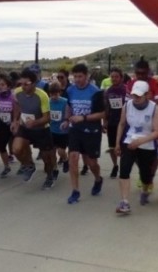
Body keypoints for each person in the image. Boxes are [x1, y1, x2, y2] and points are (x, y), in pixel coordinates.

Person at [114, 80, 158, 215]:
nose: (136, 98)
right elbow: (122, 124)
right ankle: (124, 202)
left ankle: (146, 189)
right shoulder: (127, 105)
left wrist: (141, 141)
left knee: (145, 175)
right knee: (124, 170)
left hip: (147, 144)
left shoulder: (154, 108)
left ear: (147, 95)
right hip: (129, 141)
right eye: (134, 95)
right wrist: (118, 143)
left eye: (139, 96)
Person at [63, 63, 105, 204]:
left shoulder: (95, 92)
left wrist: (84, 118)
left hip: (91, 130)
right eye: (75, 76)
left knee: (91, 162)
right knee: (73, 158)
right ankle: (75, 191)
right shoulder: (70, 90)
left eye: (80, 76)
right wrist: (66, 119)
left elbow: (103, 113)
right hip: (75, 129)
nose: (77, 79)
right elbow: (69, 106)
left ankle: (98, 179)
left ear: (86, 76)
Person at [11, 68, 57, 189]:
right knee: (16, 149)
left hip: (41, 129)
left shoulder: (42, 96)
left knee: (47, 158)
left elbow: (48, 118)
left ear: (34, 83)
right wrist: (15, 120)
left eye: (26, 84)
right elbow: (17, 106)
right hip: (25, 127)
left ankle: (50, 176)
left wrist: (35, 122)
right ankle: (29, 165)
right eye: (21, 83)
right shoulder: (17, 92)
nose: (23, 86)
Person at [103, 67, 127, 178]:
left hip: (125, 123)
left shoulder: (126, 90)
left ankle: (124, 166)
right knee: (112, 147)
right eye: (112, 77)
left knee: (123, 147)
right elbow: (106, 108)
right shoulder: (108, 91)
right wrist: (105, 121)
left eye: (116, 76)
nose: (114, 79)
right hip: (112, 122)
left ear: (121, 78)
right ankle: (115, 165)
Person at [0, 74, 15, 178]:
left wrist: (15, 121)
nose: (0, 86)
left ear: (8, 86)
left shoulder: (13, 97)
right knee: (1, 146)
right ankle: (6, 167)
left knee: (17, 148)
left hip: (13, 125)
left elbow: (18, 111)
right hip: (3, 125)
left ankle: (27, 164)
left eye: (3, 84)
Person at [48, 81, 69, 179]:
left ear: (59, 92)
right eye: (52, 94)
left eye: (56, 94)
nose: (54, 96)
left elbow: (67, 115)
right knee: (52, 152)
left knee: (61, 151)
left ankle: (65, 159)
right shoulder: (48, 102)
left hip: (62, 131)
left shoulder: (64, 102)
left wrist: (66, 121)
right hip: (52, 130)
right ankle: (55, 169)